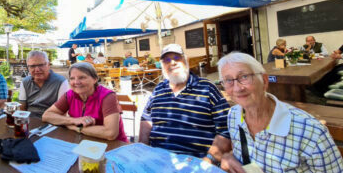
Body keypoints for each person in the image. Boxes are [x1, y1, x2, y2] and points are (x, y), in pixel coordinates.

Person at [209, 52, 342, 173]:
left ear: (265, 81)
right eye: (228, 80)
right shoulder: (233, 115)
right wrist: (229, 157)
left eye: (244, 77)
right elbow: (248, 156)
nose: (237, 88)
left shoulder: (310, 131)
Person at [139, 44, 230, 157]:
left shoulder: (207, 88)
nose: (172, 63)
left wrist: (208, 161)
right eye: (167, 60)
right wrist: (142, 153)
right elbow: (146, 120)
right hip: (158, 160)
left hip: (196, 163)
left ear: (186, 60)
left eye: (177, 58)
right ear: (162, 66)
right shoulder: (158, 90)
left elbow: (226, 130)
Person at [42, 62, 127, 142]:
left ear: (95, 79)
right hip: (83, 143)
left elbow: (110, 133)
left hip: (114, 147)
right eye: (72, 78)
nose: (76, 82)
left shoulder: (107, 96)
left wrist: (76, 127)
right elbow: (46, 116)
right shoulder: (70, 95)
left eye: (82, 77)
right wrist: (73, 120)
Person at [21, 51, 69, 118]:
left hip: (51, 122)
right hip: (29, 120)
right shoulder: (25, 82)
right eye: (32, 66)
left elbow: (62, 112)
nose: (37, 69)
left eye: (41, 65)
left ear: (48, 65)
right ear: (28, 68)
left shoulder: (61, 82)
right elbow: (22, 108)